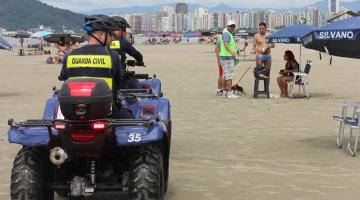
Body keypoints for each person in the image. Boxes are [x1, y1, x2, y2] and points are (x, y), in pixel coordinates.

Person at [59, 15, 131, 118]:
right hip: (106, 113)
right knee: (130, 115)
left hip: (74, 113)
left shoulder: (71, 55)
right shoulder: (112, 56)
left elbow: (63, 77)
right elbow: (118, 82)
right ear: (101, 34)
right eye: (110, 34)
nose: (112, 38)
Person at [219, 20, 239, 99]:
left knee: (225, 75)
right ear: (227, 26)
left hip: (225, 57)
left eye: (233, 26)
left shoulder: (227, 33)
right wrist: (232, 52)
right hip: (227, 57)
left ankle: (224, 91)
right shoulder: (227, 34)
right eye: (231, 26)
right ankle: (229, 93)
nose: (232, 27)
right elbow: (226, 44)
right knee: (229, 76)